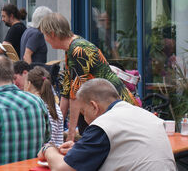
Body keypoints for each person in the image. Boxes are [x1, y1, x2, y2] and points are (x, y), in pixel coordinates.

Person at [38, 79, 176, 171]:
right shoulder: (143, 114)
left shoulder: (104, 124)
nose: (85, 119)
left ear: (94, 106)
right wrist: (81, 148)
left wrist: (48, 148)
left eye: (83, 112)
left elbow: (62, 168)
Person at [39, 13, 138, 141]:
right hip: (105, 106)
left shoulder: (78, 50)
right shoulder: (71, 47)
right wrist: (56, 133)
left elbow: (75, 96)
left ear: (52, 34)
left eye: (44, 35)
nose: (45, 39)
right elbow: (67, 91)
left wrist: (70, 136)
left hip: (115, 107)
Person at [26, 66, 64, 147]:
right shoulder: (54, 106)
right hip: (54, 154)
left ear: (29, 84)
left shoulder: (33, 107)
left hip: (42, 154)